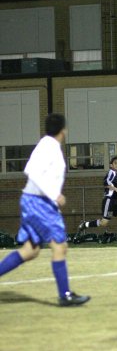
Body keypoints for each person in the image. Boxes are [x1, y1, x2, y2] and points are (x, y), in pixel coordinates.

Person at [0, 113, 90, 306]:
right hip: (38, 202)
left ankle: (65, 294)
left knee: (30, 251)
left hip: (36, 201)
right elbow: (31, 171)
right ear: (63, 130)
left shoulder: (48, 145)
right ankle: (65, 295)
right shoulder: (49, 146)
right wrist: (53, 195)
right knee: (60, 246)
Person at [77, 156, 117, 246]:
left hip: (115, 201)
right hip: (109, 201)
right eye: (115, 163)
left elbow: (114, 187)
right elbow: (106, 183)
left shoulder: (116, 174)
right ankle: (84, 224)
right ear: (111, 165)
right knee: (104, 223)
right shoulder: (111, 172)